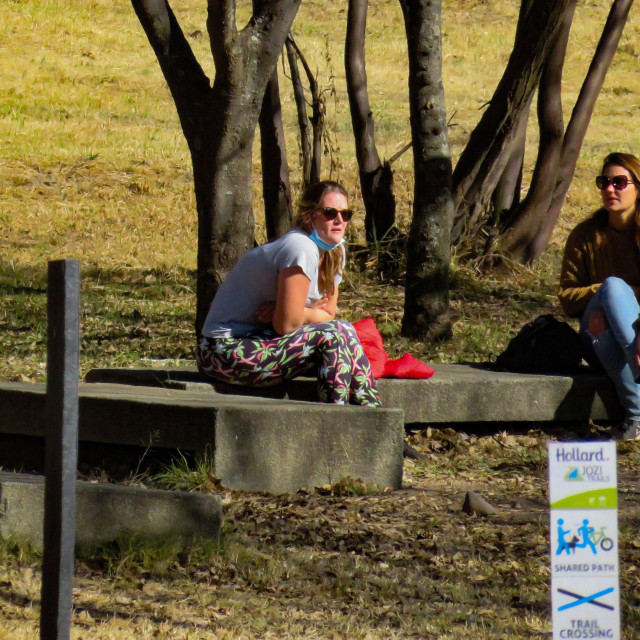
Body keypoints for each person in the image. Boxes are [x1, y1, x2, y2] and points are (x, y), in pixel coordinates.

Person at [197, 180, 381, 407]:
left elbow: (328, 314)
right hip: (222, 351)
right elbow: (286, 325)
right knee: (335, 334)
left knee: (343, 330)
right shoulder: (300, 247)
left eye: (346, 214)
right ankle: (338, 422)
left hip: (265, 340)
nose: (339, 221)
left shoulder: (335, 251)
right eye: (330, 213)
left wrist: (292, 312)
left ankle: (372, 416)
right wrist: (296, 313)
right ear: (308, 216)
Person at [558, 152, 640, 439]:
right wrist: (608, 292)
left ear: (638, 188)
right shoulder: (585, 236)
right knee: (609, 296)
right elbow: (567, 298)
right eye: (603, 182)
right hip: (597, 335)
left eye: (619, 182)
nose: (609, 189)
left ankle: (636, 416)